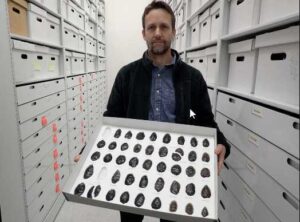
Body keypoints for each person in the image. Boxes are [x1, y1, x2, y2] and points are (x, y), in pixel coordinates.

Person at [102, 1, 231, 222]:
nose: (158, 33)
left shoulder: (193, 78)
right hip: (132, 166)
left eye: (164, 26)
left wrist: (221, 142)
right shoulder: (126, 75)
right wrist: (90, 150)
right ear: (143, 33)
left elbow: (203, 121)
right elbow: (111, 119)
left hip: (177, 170)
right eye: (151, 28)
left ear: (174, 31)